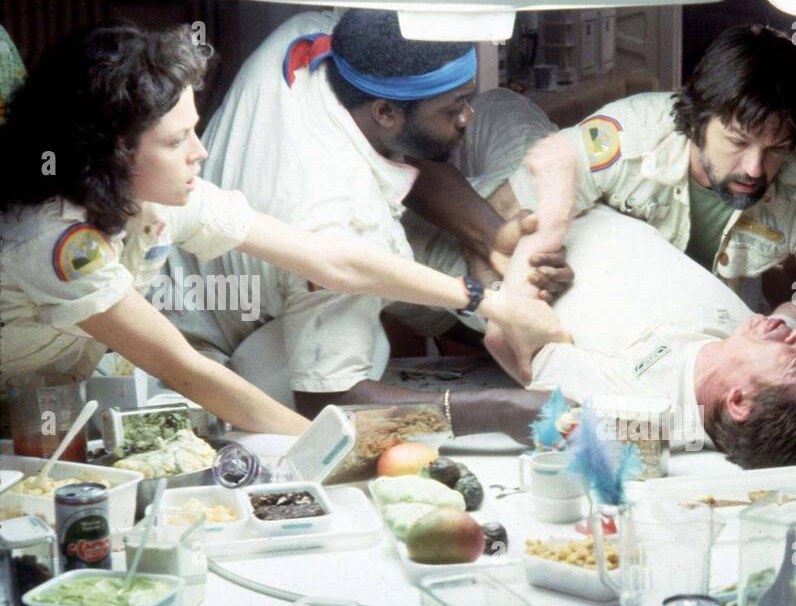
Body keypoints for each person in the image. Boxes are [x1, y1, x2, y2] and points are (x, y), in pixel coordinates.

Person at [0, 26, 566, 442]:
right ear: (110, 153)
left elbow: (332, 261)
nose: (201, 152)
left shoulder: (152, 192)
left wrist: (490, 301)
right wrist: (324, 448)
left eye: (194, 130)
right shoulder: (55, 243)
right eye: (176, 142)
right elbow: (187, 370)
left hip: (57, 381)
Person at [486, 24, 796, 458]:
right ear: (696, 121)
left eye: (777, 148)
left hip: (595, 315)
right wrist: (549, 232)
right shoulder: (634, 134)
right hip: (518, 186)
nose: (755, 168)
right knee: (491, 116)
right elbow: (497, 226)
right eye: (737, 141)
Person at [165, 8, 568, 426]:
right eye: (454, 108)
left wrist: (489, 235)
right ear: (385, 113)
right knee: (365, 345)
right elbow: (328, 399)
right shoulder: (344, 218)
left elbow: (399, 149)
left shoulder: (313, 38)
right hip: (208, 350)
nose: (469, 116)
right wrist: (495, 410)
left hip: (194, 273)